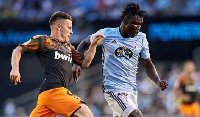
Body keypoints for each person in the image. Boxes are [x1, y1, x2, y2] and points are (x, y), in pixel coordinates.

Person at [74, 2, 168, 117]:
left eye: (140, 24)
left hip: (132, 90)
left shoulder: (141, 38)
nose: (138, 27)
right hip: (113, 88)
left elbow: (148, 65)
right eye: (134, 23)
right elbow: (84, 43)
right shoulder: (107, 34)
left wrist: (158, 81)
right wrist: (76, 64)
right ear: (125, 21)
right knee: (136, 115)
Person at [10, 11, 105, 117]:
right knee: (86, 114)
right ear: (59, 26)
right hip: (54, 91)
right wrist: (15, 69)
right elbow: (18, 50)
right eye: (69, 27)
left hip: (47, 97)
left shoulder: (69, 48)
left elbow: (85, 63)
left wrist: (93, 46)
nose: (71, 32)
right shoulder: (45, 40)